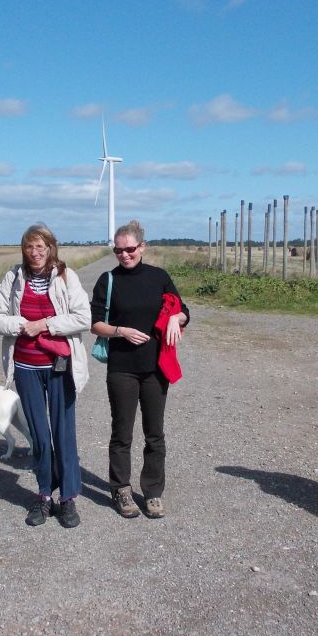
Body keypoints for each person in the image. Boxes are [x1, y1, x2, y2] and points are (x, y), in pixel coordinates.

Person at [0, 224, 91, 528]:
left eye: (41, 246)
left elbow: (83, 318)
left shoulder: (66, 277)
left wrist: (45, 324)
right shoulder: (13, 278)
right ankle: (45, 494)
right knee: (39, 435)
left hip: (59, 365)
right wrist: (20, 325)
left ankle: (67, 498)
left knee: (63, 433)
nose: (35, 252)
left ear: (50, 248)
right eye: (29, 247)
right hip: (26, 367)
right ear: (23, 249)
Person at [90, 220, 189, 520]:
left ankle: (153, 492)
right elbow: (95, 324)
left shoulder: (159, 277)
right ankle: (121, 488)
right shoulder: (108, 280)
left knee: (154, 433)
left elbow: (183, 310)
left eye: (130, 249)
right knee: (122, 433)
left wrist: (175, 319)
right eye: (118, 250)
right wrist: (120, 331)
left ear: (142, 247)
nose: (124, 255)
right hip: (122, 368)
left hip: (155, 369)